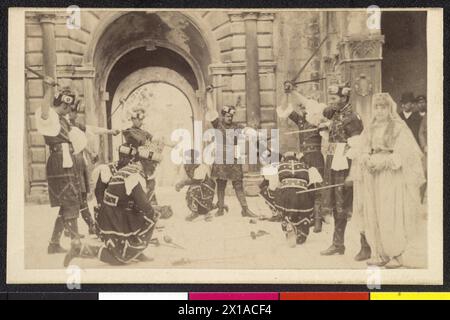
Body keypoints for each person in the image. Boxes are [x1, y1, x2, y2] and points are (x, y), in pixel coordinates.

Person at [63, 145, 161, 267]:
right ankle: (79, 249)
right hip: (114, 218)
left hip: (113, 214)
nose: (155, 168)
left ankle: (136, 251)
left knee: (145, 214)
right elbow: (144, 206)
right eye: (154, 164)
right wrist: (158, 211)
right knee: (120, 258)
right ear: (146, 162)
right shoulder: (135, 175)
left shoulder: (131, 169)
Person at [358, 93, 425, 268]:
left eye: (383, 107)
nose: (380, 111)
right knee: (374, 211)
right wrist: (366, 158)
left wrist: (384, 162)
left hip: (390, 174)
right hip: (372, 174)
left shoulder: (398, 127)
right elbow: (364, 147)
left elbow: (404, 152)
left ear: (390, 108)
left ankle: (396, 253)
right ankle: (379, 252)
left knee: (390, 212)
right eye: (377, 107)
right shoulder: (370, 127)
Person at [35, 86, 85, 254]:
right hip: (59, 161)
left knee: (68, 202)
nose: (70, 111)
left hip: (66, 160)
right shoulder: (49, 117)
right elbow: (43, 112)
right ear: (64, 105)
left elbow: (83, 130)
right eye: (70, 107)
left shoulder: (62, 119)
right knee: (70, 199)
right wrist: (48, 88)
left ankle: (54, 244)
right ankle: (76, 242)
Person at [277, 81, 327, 232]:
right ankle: (309, 217)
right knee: (306, 188)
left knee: (317, 188)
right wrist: (287, 93)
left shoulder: (319, 121)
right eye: (302, 107)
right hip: (304, 158)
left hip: (316, 157)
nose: (304, 110)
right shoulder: (301, 121)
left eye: (306, 107)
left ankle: (318, 220)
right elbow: (284, 111)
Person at [320, 83, 364, 256]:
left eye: (334, 98)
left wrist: (352, 174)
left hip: (345, 165)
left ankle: (365, 246)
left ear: (344, 98)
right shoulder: (335, 113)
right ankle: (338, 244)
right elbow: (322, 113)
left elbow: (357, 147)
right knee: (336, 204)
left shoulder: (352, 118)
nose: (330, 101)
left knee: (345, 205)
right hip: (332, 162)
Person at [68, 100, 120, 235]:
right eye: (72, 111)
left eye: (74, 111)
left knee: (81, 195)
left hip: (80, 163)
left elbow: (93, 130)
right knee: (76, 196)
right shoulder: (64, 126)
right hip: (71, 165)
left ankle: (85, 226)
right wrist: (90, 152)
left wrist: (109, 131)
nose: (73, 114)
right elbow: (78, 143)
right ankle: (89, 226)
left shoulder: (76, 125)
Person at [205, 86, 258, 218]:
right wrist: (208, 94)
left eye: (231, 116)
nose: (230, 118)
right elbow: (211, 109)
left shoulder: (236, 126)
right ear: (223, 115)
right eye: (227, 116)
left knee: (238, 184)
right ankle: (221, 208)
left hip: (234, 157)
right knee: (221, 184)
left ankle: (245, 210)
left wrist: (254, 134)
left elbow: (247, 131)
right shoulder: (217, 124)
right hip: (221, 158)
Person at [272, 152, 323, 247]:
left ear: (284, 159)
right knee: (304, 212)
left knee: (284, 207)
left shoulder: (280, 167)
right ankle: (302, 234)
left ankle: (289, 225)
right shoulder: (306, 166)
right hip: (302, 195)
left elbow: (273, 186)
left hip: (287, 197)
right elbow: (313, 185)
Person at [175, 149, 217, 222]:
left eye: (189, 158)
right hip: (198, 185)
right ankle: (197, 211)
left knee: (195, 190)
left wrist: (183, 183)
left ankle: (204, 213)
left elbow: (198, 179)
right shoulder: (187, 166)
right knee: (191, 192)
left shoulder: (200, 166)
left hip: (207, 186)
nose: (187, 160)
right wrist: (180, 184)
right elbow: (186, 178)